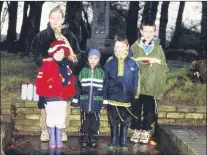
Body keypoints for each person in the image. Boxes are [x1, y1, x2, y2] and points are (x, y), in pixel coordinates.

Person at [29, 5, 82, 142]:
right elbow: (33, 52)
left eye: (58, 18)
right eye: (53, 18)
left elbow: (77, 53)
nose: (55, 21)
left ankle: (63, 130)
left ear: (63, 19)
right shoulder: (42, 36)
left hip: (65, 74)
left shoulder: (70, 36)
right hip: (48, 75)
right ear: (49, 19)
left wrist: (71, 62)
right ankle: (45, 130)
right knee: (47, 103)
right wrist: (43, 60)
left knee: (64, 103)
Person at [130, 20, 169, 144]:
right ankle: (136, 130)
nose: (148, 34)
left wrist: (159, 87)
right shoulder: (134, 47)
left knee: (149, 111)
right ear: (141, 31)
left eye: (151, 31)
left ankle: (146, 130)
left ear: (155, 32)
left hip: (151, 87)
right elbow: (129, 64)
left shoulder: (158, 49)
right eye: (145, 31)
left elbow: (163, 68)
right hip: (138, 86)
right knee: (135, 109)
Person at [35, 40, 76, 148]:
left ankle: (58, 137)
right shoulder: (46, 65)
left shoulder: (66, 67)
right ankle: (51, 137)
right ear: (53, 52)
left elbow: (70, 81)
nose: (59, 55)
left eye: (62, 53)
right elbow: (40, 82)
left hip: (62, 99)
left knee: (60, 119)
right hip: (50, 99)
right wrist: (41, 97)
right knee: (51, 119)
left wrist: (70, 94)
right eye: (57, 52)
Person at [104, 35, 140, 149]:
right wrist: (104, 96)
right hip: (112, 97)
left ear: (127, 47)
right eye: (117, 46)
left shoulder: (133, 63)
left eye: (122, 46)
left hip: (127, 97)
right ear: (114, 47)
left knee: (125, 119)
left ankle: (123, 140)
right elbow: (105, 80)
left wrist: (136, 93)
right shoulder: (109, 62)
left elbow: (137, 80)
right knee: (113, 119)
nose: (120, 49)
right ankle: (114, 139)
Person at [71, 46, 107, 148]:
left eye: (96, 58)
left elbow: (105, 88)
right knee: (85, 121)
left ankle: (93, 137)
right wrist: (76, 99)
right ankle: (85, 137)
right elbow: (78, 86)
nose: (93, 61)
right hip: (85, 101)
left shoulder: (101, 72)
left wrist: (104, 100)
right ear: (87, 58)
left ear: (99, 59)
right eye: (91, 58)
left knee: (95, 122)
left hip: (97, 102)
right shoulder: (83, 71)